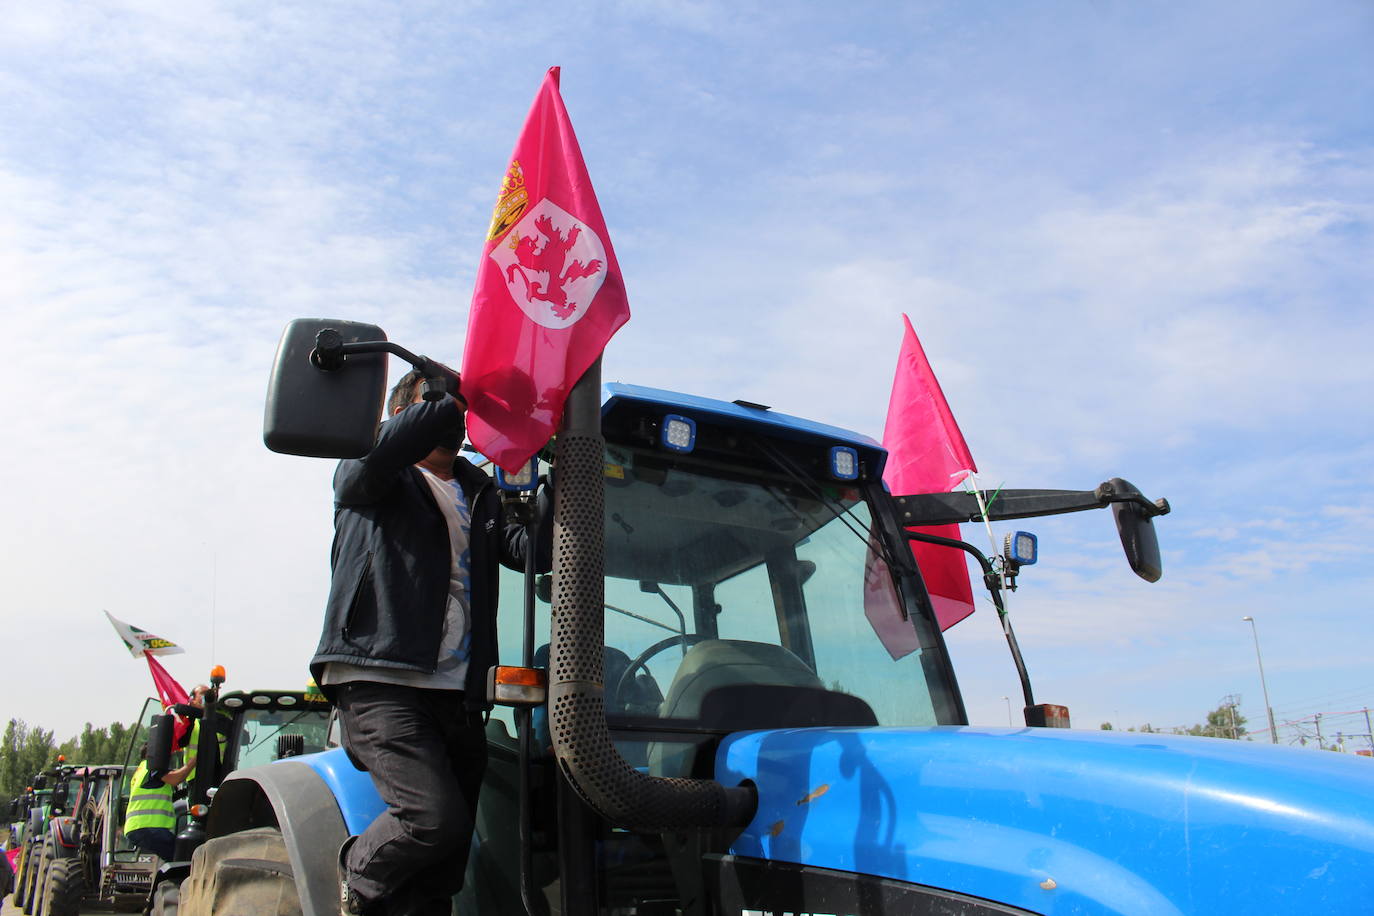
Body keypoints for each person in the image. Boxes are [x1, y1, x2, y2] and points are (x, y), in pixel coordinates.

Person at [310, 368, 545, 916]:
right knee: (429, 819)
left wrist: (560, 475)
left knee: (445, 864)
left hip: (458, 695)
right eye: (435, 404)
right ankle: (358, 878)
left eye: (459, 408)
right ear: (402, 416)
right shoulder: (373, 472)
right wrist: (451, 393)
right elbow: (368, 467)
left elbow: (530, 548)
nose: (454, 415)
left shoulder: (479, 492)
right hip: (381, 680)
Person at [122, 743, 195, 862]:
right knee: (183, 857)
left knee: (176, 856)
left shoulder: (141, 769)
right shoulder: (152, 767)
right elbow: (176, 778)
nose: (169, 756)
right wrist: (195, 760)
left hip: (139, 827)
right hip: (148, 827)